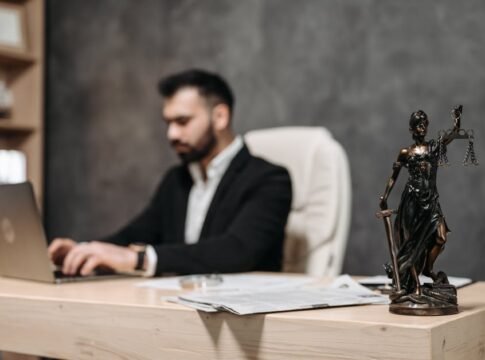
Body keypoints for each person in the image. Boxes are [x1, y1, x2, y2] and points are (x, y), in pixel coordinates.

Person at [48, 69, 292, 277]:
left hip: (248, 320)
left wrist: (140, 259)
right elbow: (137, 233)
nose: (172, 134)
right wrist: (85, 250)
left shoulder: (270, 179)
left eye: (182, 121)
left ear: (220, 117)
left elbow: (237, 251)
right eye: (168, 123)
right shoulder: (177, 180)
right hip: (181, 308)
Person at [379, 107, 461, 300]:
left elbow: (453, 134)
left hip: (431, 200)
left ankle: (429, 269)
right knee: (413, 245)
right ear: (412, 129)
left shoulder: (433, 147)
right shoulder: (406, 152)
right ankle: (415, 286)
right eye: (418, 124)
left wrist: (457, 122)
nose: (422, 127)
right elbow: (394, 176)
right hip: (412, 201)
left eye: (424, 124)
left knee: (440, 237)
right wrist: (384, 196)